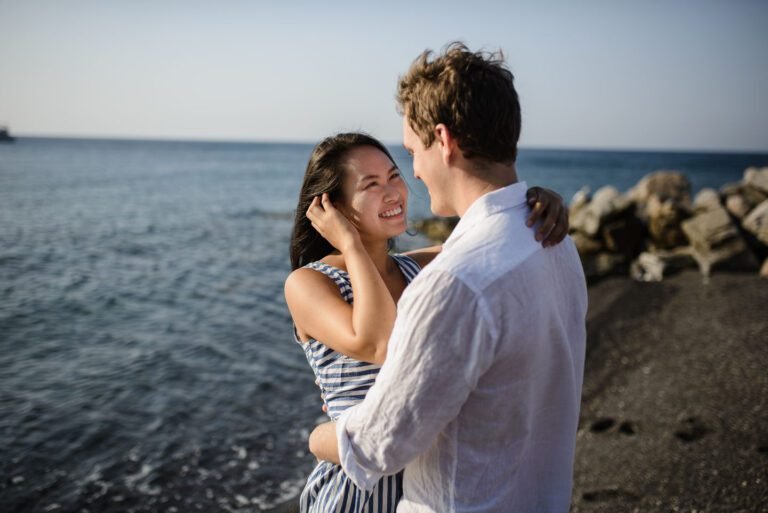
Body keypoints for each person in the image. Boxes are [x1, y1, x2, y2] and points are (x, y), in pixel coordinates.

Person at [306, 43, 588, 513]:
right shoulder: (555, 242)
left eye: (412, 153)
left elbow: (378, 445)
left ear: (443, 140)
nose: (413, 172)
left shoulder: (454, 284)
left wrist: (318, 437)